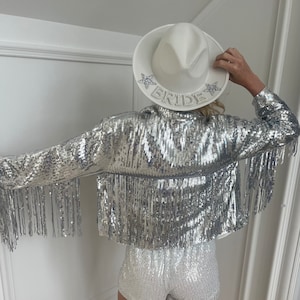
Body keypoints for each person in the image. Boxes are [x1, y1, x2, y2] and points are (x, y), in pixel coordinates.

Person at [0, 23, 299, 300]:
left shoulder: (121, 131)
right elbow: (286, 127)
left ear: (155, 76)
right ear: (206, 80)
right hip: (199, 270)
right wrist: (251, 80)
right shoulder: (226, 133)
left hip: (143, 270)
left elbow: (56, 162)